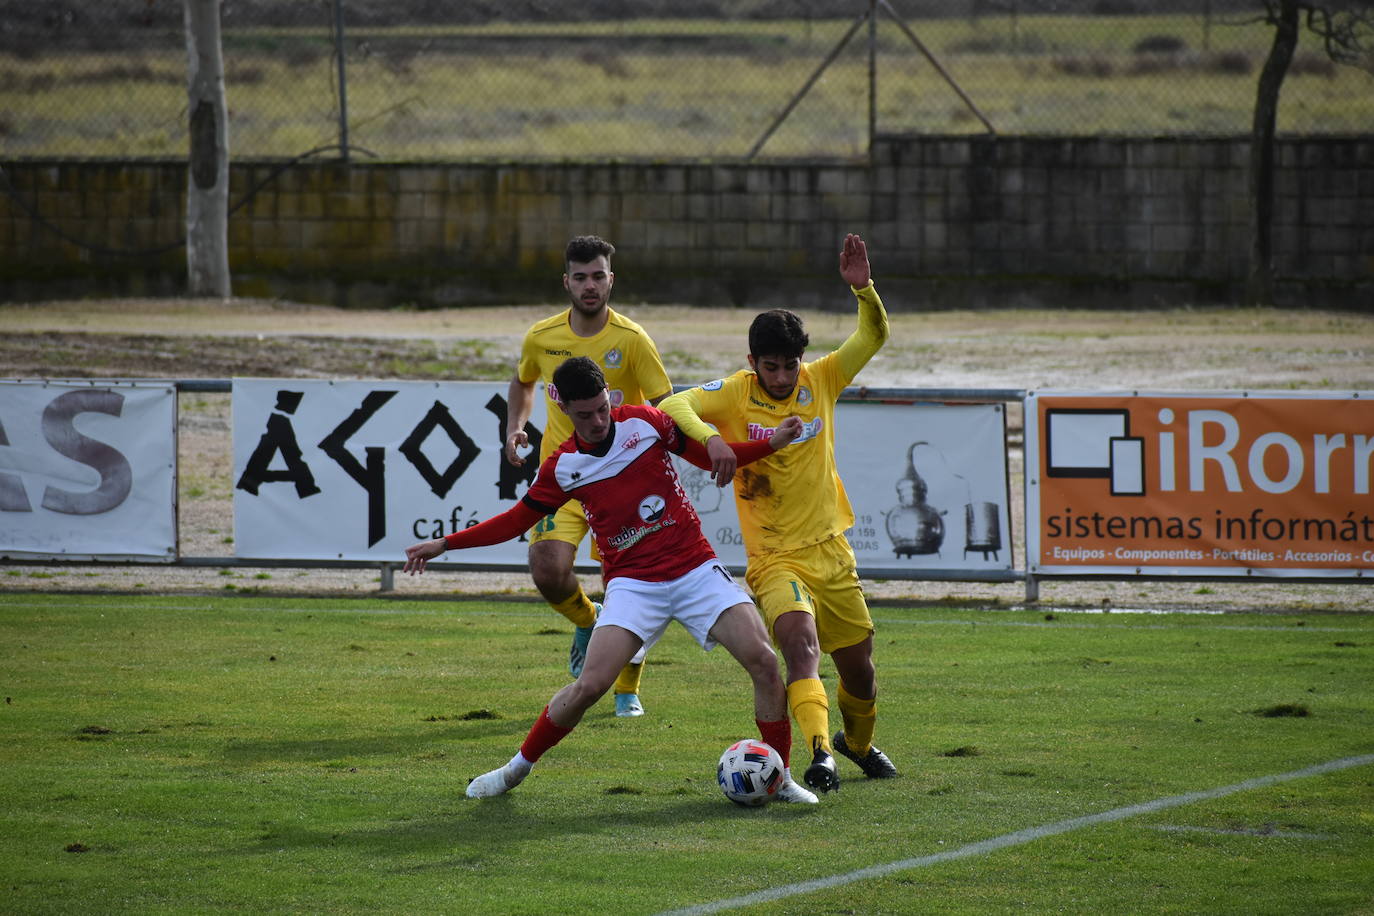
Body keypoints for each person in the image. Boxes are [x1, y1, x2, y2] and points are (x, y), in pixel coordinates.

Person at [404, 357, 818, 803]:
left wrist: (769, 444)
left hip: (696, 569)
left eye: (602, 408)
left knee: (764, 661)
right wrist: (444, 544)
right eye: (585, 414)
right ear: (562, 407)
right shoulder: (562, 467)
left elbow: (712, 457)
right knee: (590, 686)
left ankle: (781, 779)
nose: (598, 420)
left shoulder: (646, 423)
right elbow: (513, 521)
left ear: (610, 397)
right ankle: (513, 771)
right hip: (633, 585)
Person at [659, 233, 898, 793]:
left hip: (832, 552)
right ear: (752, 363)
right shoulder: (738, 393)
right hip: (774, 559)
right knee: (801, 647)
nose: (785, 377)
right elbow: (674, 404)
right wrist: (713, 442)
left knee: (860, 667)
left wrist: (864, 289)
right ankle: (820, 755)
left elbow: (875, 334)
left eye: (791, 365)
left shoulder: (823, 379)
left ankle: (856, 744)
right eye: (773, 367)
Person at [504, 235, 673, 718]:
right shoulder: (542, 337)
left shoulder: (632, 340)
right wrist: (516, 427)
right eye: (580, 277)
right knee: (547, 571)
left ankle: (627, 690)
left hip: (624, 485)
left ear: (611, 279)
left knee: (629, 586)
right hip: (566, 480)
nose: (590, 285)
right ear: (566, 282)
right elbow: (523, 381)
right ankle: (587, 619)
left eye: (598, 275)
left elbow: (664, 405)